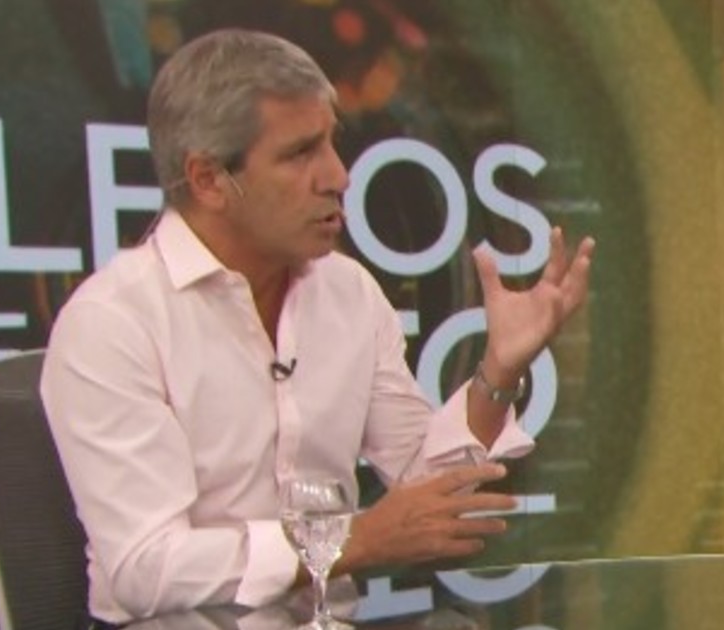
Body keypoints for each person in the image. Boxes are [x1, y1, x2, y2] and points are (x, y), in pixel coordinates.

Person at [40, 28, 595, 626]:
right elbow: (146, 567)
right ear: (208, 179)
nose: (338, 176)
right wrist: (351, 540)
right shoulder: (113, 322)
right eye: (300, 153)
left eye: (332, 143)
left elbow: (422, 495)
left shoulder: (347, 292)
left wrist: (499, 372)